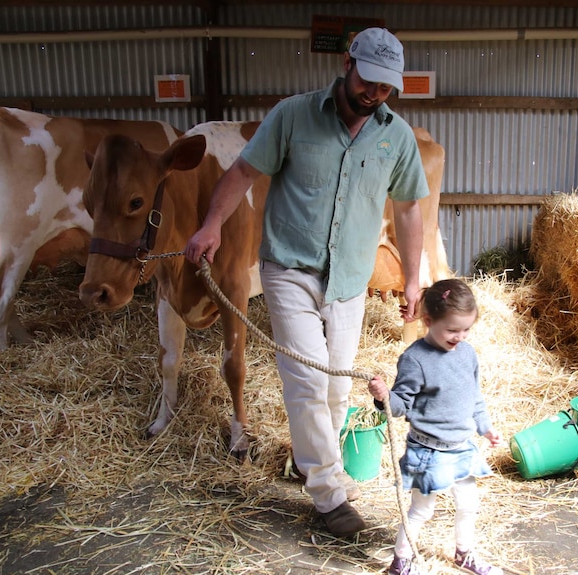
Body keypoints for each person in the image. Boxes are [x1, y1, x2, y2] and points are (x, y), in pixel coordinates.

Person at [184, 27, 430, 537]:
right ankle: (328, 494)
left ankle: (308, 460)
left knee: (337, 385)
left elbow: (408, 210)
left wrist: (413, 277)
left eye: (386, 87)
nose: (375, 94)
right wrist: (210, 225)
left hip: (349, 280)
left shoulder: (396, 137)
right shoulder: (293, 115)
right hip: (289, 271)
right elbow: (241, 173)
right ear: (347, 63)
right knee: (307, 380)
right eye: (368, 81)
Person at [368, 278, 504, 575]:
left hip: (462, 447)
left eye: (466, 329)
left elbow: (474, 396)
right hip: (429, 450)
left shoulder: (467, 353)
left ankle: (464, 553)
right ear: (428, 321)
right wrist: (384, 397)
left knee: (469, 504)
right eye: (453, 330)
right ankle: (401, 562)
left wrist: (485, 427)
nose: (460, 336)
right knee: (422, 510)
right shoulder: (415, 359)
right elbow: (402, 405)